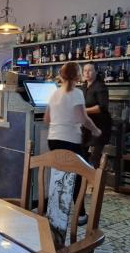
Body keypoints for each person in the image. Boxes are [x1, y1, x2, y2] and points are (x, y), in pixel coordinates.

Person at [44, 62, 101, 225]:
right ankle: (81, 215)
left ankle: (53, 211)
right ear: (78, 76)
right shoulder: (77, 93)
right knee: (77, 177)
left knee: (58, 175)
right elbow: (82, 118)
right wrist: (96, 130)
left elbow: (47, 119)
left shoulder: (54, 94)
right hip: (71, 140)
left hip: (53, 140)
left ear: (61, 76)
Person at [82, 64, 112, 168]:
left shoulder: (100, 86)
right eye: (85, 70)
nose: (87, 73)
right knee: (82, 154)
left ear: (95, 72)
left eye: (90, 70)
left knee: (95, 158)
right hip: (87, 126)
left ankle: (95, 181)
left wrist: (83, 111)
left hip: (100, 126)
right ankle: (83, 181)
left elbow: (102, 107)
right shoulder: (84, 86)